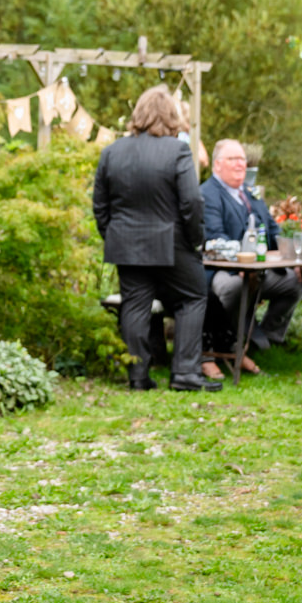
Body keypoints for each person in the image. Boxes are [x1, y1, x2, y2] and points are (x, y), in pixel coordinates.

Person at [92, 86, 220, 393]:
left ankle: (138, 377)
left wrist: (113, 235)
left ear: (139, 113)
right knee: (193, 297)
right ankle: (185, 373)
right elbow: (191, 202)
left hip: (125, 243)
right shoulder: (177, 151)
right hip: (172, 242)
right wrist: (194, 240)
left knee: (134, 306)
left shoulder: (112, 151)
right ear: (171, 116)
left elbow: (100, 205)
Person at [201, 138, 302, 375]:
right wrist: (241, 260)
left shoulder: (250, 193)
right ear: (217, 164)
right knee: (235, 288)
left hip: (262, 269)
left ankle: (266, 338)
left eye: (243, 159)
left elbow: (273, 229)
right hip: (224, 271)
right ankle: (231, 340)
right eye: (233, 159)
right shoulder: (208, 194)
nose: (241, 164)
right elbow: (215, 238)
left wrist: (293, 257)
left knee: (295, 281)